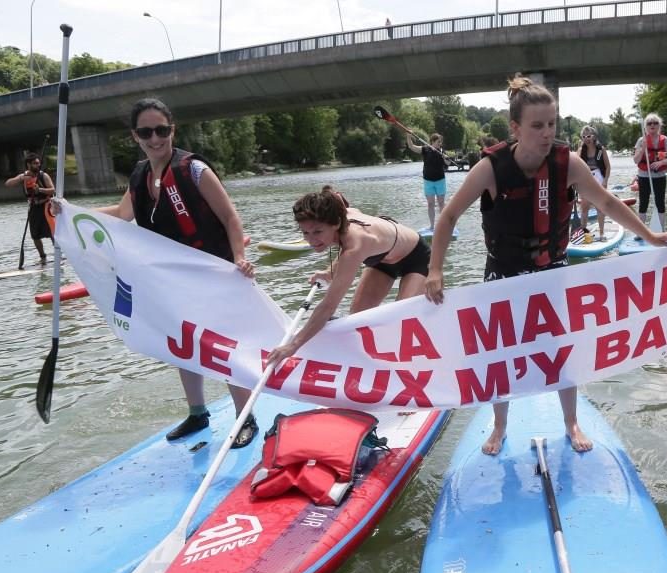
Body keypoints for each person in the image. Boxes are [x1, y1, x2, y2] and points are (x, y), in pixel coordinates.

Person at [425, 74, 667, 455]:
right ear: (515, 128)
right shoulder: (491, 169)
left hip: (552, 269)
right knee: (500, 354)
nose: (547, 133)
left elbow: (609, 204)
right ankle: (499, 425)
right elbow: (447, 218)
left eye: (552, 124)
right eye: (537, 126)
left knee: (563, 348)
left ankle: (571, 421)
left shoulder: (569, 163)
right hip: (503, 275)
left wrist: (649, 236)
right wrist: (435, 270)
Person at [53, 98, 257, 447]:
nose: (155, 138)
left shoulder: (194, 170)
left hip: (213, 270)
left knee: (222, 347)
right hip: (171, 279)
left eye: (161, 130)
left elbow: (230, 218)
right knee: (182, 345)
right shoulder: (139, 175)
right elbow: (121, 214)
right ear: (135, 136)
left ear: (172, 130)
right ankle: (197, 414)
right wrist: (68, 212)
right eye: (146, 132)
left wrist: (239, 257)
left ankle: (245, 418)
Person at [264, 187, 431, 367]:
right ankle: (367, 364)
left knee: (402, 318)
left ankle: (413, 365)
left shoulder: (354, 246)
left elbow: (328, 306)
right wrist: (329, 272)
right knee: (358, 318)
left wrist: (293, 345)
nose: (311, 240)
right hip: (382, 260)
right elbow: (338, 199)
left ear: (335, 223)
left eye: (318, 232)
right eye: (305, 233)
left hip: (416, 257)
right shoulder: (339, 215)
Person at [5, 152, 55, 264]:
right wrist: (21, 178)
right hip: (33, 208)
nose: (38, 165)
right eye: (35, 164)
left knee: (52, 232)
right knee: (35, 235)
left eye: (38, 163)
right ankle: (43, 257)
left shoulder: (43, 176)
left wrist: (40, 190)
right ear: (28, 165)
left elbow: (52, 190)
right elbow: (8, 184)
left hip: (46, 206)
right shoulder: (24, 177)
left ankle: (59, 254)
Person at [633, 114, 667, 229]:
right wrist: (643, 149)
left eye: (655, 123)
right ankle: (640, 231)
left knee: (660, 203)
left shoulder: (664, 140)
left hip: (659, 176)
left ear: (659, 125)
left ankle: (662, 228)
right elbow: (636, 160)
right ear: (645, 126)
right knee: (643, 204)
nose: (652, 125)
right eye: (649, 123)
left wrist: (661, 163)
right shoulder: (641, 140)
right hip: (644, 176)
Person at [575, 125, 612, 239]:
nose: (587, 138)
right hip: (585, 179)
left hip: (599, 179)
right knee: (584, 208)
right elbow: (576, 167)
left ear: (594, 136)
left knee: (600, 207)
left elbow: (608, 167)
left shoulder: (601, 149)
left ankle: (601, 233)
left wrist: (605, 181)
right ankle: (584, 234)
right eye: (584, 136)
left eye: (589, 136)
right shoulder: (581, 150)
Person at [407, 132, 447, 230]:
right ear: (432, 141)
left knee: (441, 203)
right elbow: (411, 146)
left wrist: (445, 158)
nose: (440, 144)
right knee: (430, 204)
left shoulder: (441, 151)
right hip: (428, 181)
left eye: (440, 142)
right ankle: (432, 226)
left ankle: (442, 225)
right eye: (438, 142)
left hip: (440, 180)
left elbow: (448, 162)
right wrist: (408, 136)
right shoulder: (425, 149)